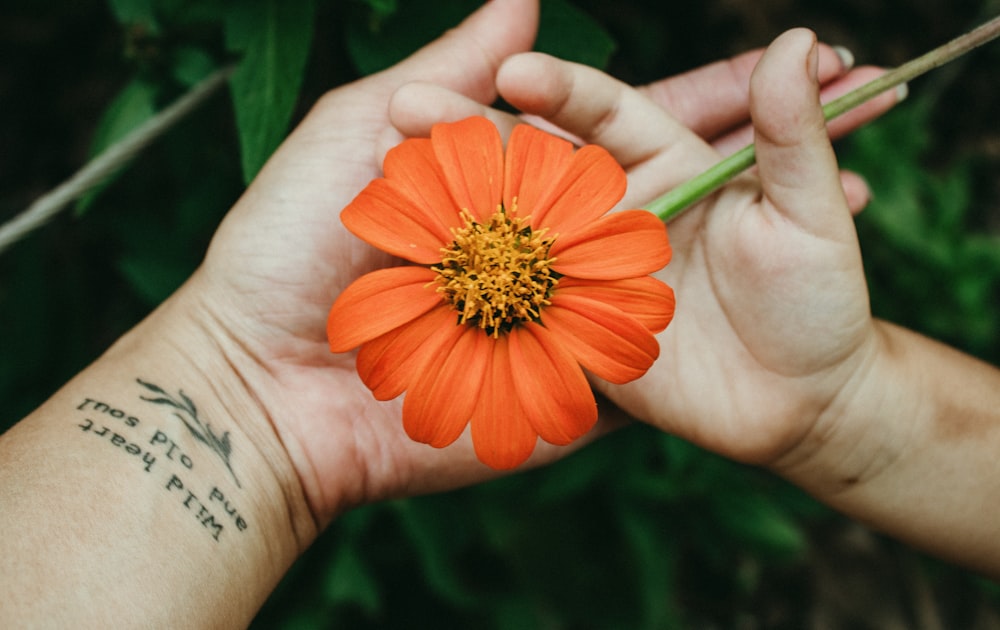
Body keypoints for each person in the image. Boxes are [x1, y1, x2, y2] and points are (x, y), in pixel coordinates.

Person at [2, 0, 983, 625]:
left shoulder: (547, 254)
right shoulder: (440, 266)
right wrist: (852, 402)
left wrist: (242, 390)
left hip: (537, 281)